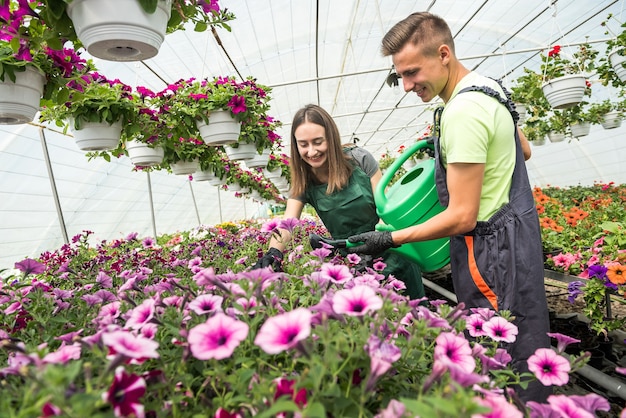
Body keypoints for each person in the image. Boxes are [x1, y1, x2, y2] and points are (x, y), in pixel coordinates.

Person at [346, 12, 551, 403]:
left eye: (411, 72)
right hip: (517, 233)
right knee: (528, 337)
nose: (406, 86)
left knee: (501, 357)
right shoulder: (489, 88)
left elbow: (462, 216)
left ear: (443, 54)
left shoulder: (462, 112)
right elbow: (522, 149)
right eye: (399, 76)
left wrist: (388, 237)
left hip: (491, 251)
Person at [252, 104, 425, 300]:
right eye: (304, 144)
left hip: (391, 251)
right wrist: (273, 253)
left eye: (318, 142)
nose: (311, 151)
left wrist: (382, 237)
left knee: (412, 316)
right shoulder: (303, 179)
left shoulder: (360, 160)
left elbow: (386, 209)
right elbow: (286, 225)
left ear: (331, 138)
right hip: (353, 264)